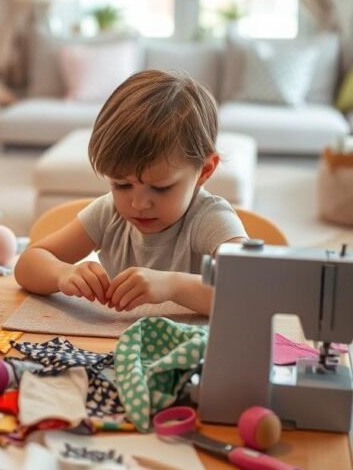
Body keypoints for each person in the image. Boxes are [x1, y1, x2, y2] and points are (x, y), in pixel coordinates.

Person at [14, 70, 247, 317]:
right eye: (121, 185)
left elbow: (247, 293)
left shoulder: (210, 219)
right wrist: (63, 274)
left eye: (160, 188)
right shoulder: (108, 213)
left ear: (204, 171)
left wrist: (173, 286)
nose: (138, 203)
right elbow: (28, 264)